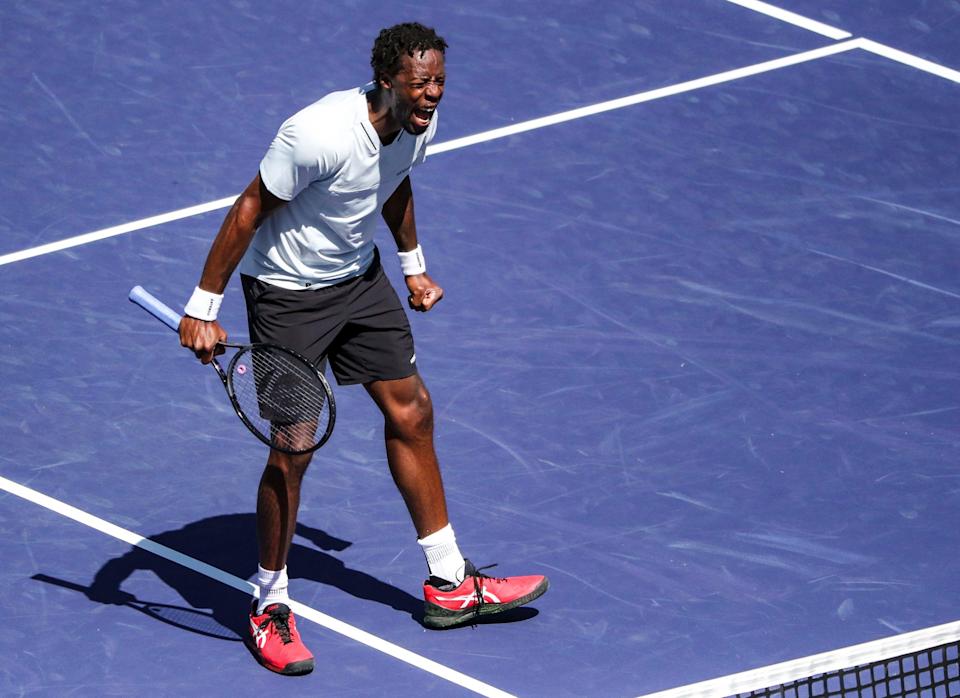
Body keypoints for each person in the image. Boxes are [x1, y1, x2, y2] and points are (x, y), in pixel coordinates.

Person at [177, 22, 548, 676]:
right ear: (386, 81)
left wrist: (413, 266)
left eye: (438, 82)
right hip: (287, 294)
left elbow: (395, 181)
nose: (432, 94)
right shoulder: (315, 133)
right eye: (420, 83)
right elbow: (248, 208)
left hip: (360, 282)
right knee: (294, 446)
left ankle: (449, 582)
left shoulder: (418, 124)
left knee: (413, 412)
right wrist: (203, 307)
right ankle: (267, 604)